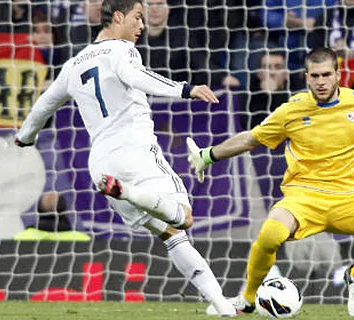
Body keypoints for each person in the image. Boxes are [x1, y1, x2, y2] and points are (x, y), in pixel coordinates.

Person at [14, 0, 235, 316]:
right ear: (118, 17)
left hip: (101, 165)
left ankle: (222, 306)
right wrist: (185, 89)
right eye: (137, 17)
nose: (142, 25)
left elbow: (42, 108)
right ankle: (130, 192)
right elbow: (137, 76)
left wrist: (24, 137)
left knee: (172, 235)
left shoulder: (73, 64)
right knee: (183, 217)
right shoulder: (121, 50)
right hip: (135, 151)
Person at [192, 47, 354, 316]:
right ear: (306, 77)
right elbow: (250, 139)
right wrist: (208, 155)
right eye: (315, 75)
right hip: (303, 199)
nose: (321, 81)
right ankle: (247, 297)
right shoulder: (290, 110)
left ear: (337, 74)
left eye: (327, 74)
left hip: (350, 200)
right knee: (269, 234)